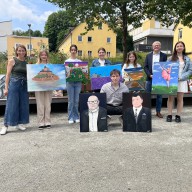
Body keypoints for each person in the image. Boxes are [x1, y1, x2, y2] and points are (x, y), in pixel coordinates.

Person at [0, 45, 29, 135]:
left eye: (23, 50)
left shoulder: (26, 62)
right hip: (14, 85)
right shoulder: (12, 61)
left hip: (24, 85)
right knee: (11, 105)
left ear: (25, 52)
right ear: (17, 51)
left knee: (22, 104)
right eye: (19, 50)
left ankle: (19, 123)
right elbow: (8, 75)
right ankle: (5, 125)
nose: (21, 52)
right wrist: (6, 88)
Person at [166, 41, 192, 123]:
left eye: (181, 46)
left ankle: (178, 115)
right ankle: (169, 115)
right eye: (177, 46)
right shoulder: (170, 58)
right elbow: (166, 68)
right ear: (175, 48)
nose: (179, 47)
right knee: (170, 98)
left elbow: (190, 70)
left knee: (180, 99)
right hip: (172, 81)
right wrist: (172, 77)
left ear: (183, 48)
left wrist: (181, 77)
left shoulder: (187, 59)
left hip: (182, 81)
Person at [144, 41, 167, 118]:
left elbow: (165, 66)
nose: (156, 46)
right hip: (149, 78)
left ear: (160, 47)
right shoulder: (148, 56)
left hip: (160, 79)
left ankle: (158, 112)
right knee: (147, 96)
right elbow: (145, 67)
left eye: (158, 45)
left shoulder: (164, 56)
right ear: (152, 47)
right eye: (155, 45)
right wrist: (149, 75)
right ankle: (147, 112)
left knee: (159, 96)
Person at [35, 50, 52, 130]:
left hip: (48, 87)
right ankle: (41, 122)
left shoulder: (50, 66)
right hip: (39, 87)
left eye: (45, 55)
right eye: (42, 55)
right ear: (40, 56)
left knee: (47, 104)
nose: (44, 56)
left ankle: (48, 122)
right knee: (40, 104)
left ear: (47, 56)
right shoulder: (36, 65)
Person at [65, 44, 82, 124]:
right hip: (70, 83)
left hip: (78, 82)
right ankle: (70, 117)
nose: (73, 51)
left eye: (74, 50)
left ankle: (76, 116)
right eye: (72, 50)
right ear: (70, 51)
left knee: (76, 101)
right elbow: (65, 73)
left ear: (76, 51)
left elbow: (82, 73)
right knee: (71, 101)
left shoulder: (80, 62)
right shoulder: (66, 61)